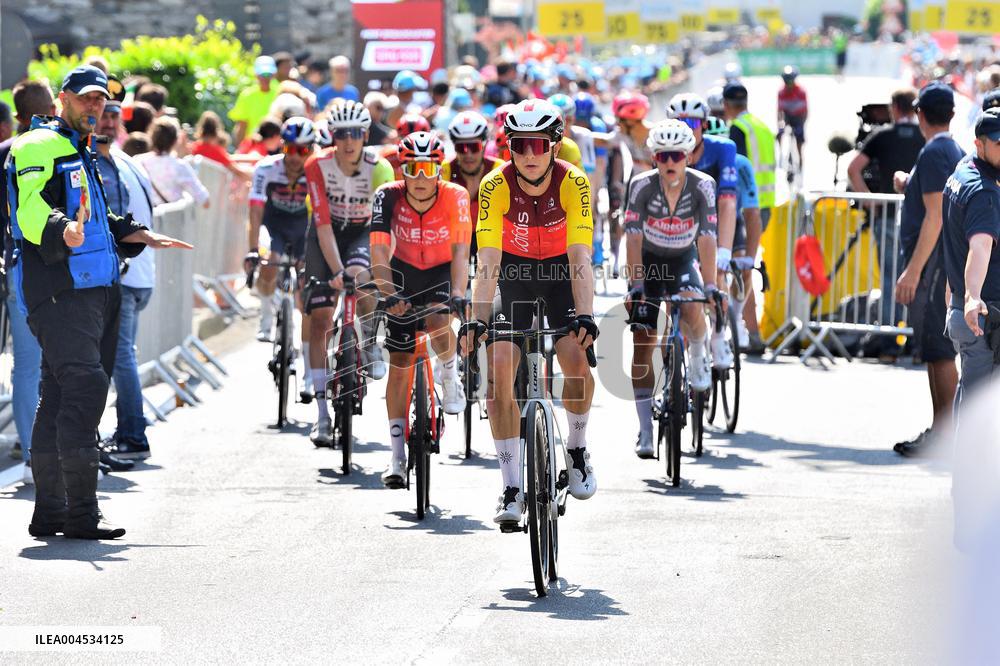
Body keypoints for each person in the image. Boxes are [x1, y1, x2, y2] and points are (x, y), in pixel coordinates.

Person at [6, 65, 191, 540]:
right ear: (62, 100)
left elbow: (92, 212)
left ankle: (50, 512)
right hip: (60, 290)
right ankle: (83, 512)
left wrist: (135, 233)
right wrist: (59, 229)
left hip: (90, 289)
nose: (96, 107)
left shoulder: (77, 147)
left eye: (102, 101)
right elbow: (30, 206)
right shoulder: (38, 144)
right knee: (85, 389)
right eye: (86, 98)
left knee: (60, 396)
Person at [464, 99, 598, 524]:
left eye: (540, 145)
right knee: (499, 367)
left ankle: (576, 451)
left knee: (576, 359)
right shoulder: (494, 184)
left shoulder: (573, 182)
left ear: (555, 146)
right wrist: (477, 316)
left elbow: (580, 255)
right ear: (510, 148)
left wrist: (586, 314)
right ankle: (510, 487)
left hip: (561, 274)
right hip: (513, 275)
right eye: (520, 145)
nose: (530, 155)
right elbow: (487, 260)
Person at [371, 132, 471, 486]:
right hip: (402, 274)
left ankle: (449, 374)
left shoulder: (456, 196)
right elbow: (379, 251)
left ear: (439, 170)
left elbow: (461, 251)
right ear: (403, 170)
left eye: (429, 168)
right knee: (399, 366)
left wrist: (458, 292)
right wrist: (387, 293)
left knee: (440, 318)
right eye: (413, 168)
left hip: (443, 270)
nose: (421, 177)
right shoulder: (387, 196)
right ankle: (396, 456)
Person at [623, 120, 720, 457]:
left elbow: (707, 238)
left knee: (693, 307)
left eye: (676, 156)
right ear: (654, 157)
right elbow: (632, 238)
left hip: (682, 259)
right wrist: (636, 285)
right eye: (662, 156)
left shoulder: (704, 186)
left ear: (688, 156)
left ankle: (696, 356)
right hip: (648, 262)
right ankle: (646, 430)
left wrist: (709, 285)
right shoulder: (640, 186)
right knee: (642, 339)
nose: (669, 163)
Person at [303, 101, 394, 442]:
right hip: (326, 235)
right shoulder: (317, 165)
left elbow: (384, 227)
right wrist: (336, 271)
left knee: (362, 278)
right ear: (332, 136)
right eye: (341, 134)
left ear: (365, 135)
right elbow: (322, 224)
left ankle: (368, 341)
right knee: (321, 317)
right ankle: (322, 415)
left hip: (362, 232)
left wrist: (360, 271)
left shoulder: (380, 167)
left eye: (355, 134)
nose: (348, 141)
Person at [892, 82, 964, 457]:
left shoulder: (937, 150)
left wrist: (913, 271)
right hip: (939, 263)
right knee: (935, 352)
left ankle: (946, 435)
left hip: (934, 264)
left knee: (939, 351)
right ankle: (941, 432)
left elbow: (935, 216)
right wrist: (909, 182)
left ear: (921, 115)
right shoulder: (944, 150)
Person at [92, 98, 159, 463]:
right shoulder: (125, 159)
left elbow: (113, 224)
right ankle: (131, 427)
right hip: (139, 272)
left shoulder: (109, 163)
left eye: (110, 116)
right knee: (121, 356)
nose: (106, 122)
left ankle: (133, 432)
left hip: (126, 273)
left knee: (119, 357)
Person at [847, 88, 924, 362]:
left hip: (888, 216)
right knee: (921, 281)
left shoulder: (882, 136)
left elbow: (853, 168)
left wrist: (870, 201)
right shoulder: (924, 136)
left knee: (891, 280)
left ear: (894, 107)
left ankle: (890, 347)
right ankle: (918, 345)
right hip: (922, 220)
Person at [0, 81, 52, 484]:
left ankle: (34, 457)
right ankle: (54, 452)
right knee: (58, 363)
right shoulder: (55, 150)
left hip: (16, 266)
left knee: (26, 367)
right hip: (52, 269)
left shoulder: (5, 154)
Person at [666, 93, 737, 369]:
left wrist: (724, 250)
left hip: (719, 218)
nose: (686, 128)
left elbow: (727, 202)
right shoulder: (666, 150)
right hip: (683, 223)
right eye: (679, 122)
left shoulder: (723, 149)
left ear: (705, 124)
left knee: (715, 273)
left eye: (693, 122)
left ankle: (719, 336)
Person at [942, 108, 1000, 420]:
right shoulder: (984, 192)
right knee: (981, 414)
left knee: (971, 403)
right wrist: (972, 296)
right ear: (979, 144)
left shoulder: (962, 174)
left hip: (966, 313)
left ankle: (966, 469)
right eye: (999, 144)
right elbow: (979, 247)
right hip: (983, 316)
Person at [246, 117, 315, 350]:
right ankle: (266, 317)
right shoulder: (266, 169)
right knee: (269, 264)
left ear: (312, 149)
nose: (295, 156)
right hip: (273, 223)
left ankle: (299, 328)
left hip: (302, 226)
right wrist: (253, 249)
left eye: (302, 150)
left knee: (307, 278)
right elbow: (255, 211)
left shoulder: (317, 171)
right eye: (289, 149)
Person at [705, 115, 765, 353]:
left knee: (743, 271)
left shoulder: (740, 164)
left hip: (732, 218)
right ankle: (713, 324)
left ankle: (737, 318)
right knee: (711, 275)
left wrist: (750, 257)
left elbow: (752, 213)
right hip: (703, 223)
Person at [443, 111, 503, 258]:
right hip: (454, 238)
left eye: (474, 147)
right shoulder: (446, 168)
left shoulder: (498, 168)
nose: (468, 154)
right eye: (461, 147)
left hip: (492, 238)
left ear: (484, 144)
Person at [607, 91, 654, 277]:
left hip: (655, 188)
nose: (617, 123)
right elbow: (605, 141)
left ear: (631, 119)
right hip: (634, 186)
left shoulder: (657, 135)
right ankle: (620, 261)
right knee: (623, 219)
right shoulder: (623, 134)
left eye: (620, 119)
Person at [722, 83, 776, 229]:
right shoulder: (763, 126)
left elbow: (737, 166)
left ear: (726, 105)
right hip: (767, 201)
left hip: (747, 202)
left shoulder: (738, 128)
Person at [136, 118, 211, 207]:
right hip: (170, 219)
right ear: (175, 140)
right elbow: (204, 199)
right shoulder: (179, 166)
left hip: (142, 217)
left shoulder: (138, 161)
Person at [229, 56, 281, 146]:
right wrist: (240, 149)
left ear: (273, 75)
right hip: (252, 145)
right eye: (262, 74)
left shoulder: (280, 92)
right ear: (256, 75)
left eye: (268, 74)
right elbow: (242, 125)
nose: (265, 78)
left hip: (275, 145)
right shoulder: (247, 95)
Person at [189, 111, 253, 182]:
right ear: (216, 130)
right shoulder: (217, 152)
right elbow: (238, 172)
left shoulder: (192, 148)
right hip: (215, 190)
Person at [381, 113, 431, 179]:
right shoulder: (387, 156)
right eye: (406, 140)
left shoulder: (434, 159)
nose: (411, 146)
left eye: (417, 141)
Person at [777, 66, 807, 167]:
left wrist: (802, 125)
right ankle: (780, 154)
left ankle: (800, 158)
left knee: (799, 138)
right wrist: (780, 124)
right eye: (786, 82)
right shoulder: (781, 92)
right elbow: (779, 111)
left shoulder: (801, 92)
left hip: (798, 118)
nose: (788, 84)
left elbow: (805, 111)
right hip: (787, 117)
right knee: (779, 133)